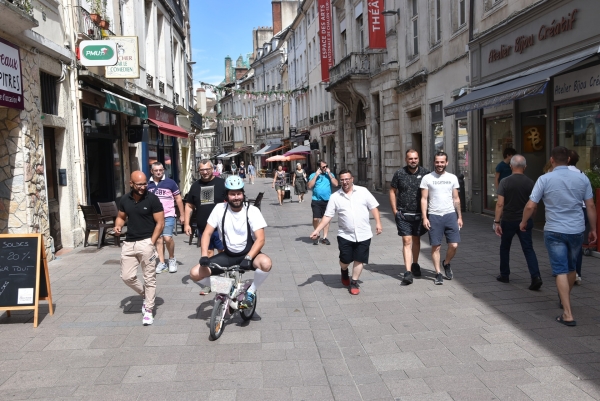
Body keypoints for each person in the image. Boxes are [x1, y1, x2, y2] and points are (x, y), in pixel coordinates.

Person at [521, 146, 597, 327]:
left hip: (554, 229)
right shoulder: (582, 178)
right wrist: (593, 229)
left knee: (560, 269)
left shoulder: (545, 179)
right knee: (571, 268)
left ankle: (567, 313)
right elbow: (591, 206)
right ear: (569, 160)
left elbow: (531, 205)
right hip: (577, 229)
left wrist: (524, 222)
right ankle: (565, 300)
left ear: (552, 160)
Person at [190, 176, 272, 309]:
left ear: (243, 194)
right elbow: (207, 233)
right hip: (228, 255)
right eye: (232, 194)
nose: (236, 197)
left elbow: (260, 239)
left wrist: (249, 257)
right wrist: (204, 255)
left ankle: (251, 291)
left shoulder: (252, 211)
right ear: (226, 196)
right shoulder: (219, 209)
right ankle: (226, 288)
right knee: (194, 273)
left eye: (239, 193)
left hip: (249, 254)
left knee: (266, 263)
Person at [310, 169, 382, 295]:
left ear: (352, 179)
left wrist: (378, 223)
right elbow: (327, 216)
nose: (345, 182)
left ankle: (354, 282)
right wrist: (317, 230)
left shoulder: (363, 191)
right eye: (342, 179)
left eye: (347, 179)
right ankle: (344, 270)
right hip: (345, 235)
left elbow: (373, 207)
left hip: (364, 233)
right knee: (345, 260)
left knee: (359, 259)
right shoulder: (335, 197)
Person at [114, 171, 164, 326]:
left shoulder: (152, 199)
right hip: (129, 243)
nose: (143, 187)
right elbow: (121, 217)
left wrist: (151, 242)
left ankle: (148, 310)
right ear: (131, 184)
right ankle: (145, 294)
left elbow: (160, 223)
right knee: (126, 277)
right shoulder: (124, 200)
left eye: (145, 184)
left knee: (150, 278)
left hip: (146, 243)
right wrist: (118, 226)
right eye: (139, 184)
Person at [493, 155, 542, 290]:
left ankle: (505, 274)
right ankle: (535, 276)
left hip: (508, 220)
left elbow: (500, 204)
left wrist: (497, 221)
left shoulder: (505, 182)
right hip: (525, 221)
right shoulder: (531, 183)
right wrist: (531, 218)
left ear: (511, 166)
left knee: (505, 247)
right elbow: (534, 205)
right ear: (525, 167)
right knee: (528, 249)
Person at [420, 152, 463, 285]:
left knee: (454, 245)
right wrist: (424, 217)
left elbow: (456, 198)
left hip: (450, 214)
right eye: (437, 162)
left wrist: (459, 216)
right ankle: (438, 273)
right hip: (434, 215)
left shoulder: (452, 178)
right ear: (434, 162)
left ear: (446, 163)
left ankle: (446, 263)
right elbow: (424, 198)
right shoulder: (427, 178)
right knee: (436, 247)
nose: (439, 164)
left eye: (442, 162)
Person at [389, 149, 430, 285]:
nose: (413, 161)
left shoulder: (425, 173)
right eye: (410, 159)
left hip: (419, 214)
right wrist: (394, 210)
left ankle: (415, 264)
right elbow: (392, 191)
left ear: (419, 159)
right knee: (407, 241)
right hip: (403, 214)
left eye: (415, 158)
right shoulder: (400, 174)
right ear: (406, 160)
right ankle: (407, 272)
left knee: (416, 240)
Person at [147, 162, 185, 274]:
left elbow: (178, 198)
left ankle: (172, 259)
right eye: (156, 170)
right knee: (159, 239)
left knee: (168, 238)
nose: (159, 172)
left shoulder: (170, 183)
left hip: (168, 215)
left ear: (163, 170)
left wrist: (182, 215)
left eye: (161, 170)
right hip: (153, 216)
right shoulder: (147, 184)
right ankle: (162, 263)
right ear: (152, 171)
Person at [567, 150, 588, 285]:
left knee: (561, 241)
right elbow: (588, 201)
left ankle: (564, 271)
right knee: (576, 244)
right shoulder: (582, 174)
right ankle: (577, 273)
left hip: (565, 210)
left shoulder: (558, 173)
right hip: (581, 209)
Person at [308, 160, 339, 245]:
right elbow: (310, 186)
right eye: (323, 167)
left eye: (326, 166)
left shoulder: (329, 175)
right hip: (316, 200)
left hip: (327, 201)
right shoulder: (313, 175)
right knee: (316, 218)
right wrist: (316, 175)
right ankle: (316, 233)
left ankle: (325, 237)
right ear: (319, 167)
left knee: (326, 220)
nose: (325, 168)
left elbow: (336, 184)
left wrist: (329, 174)